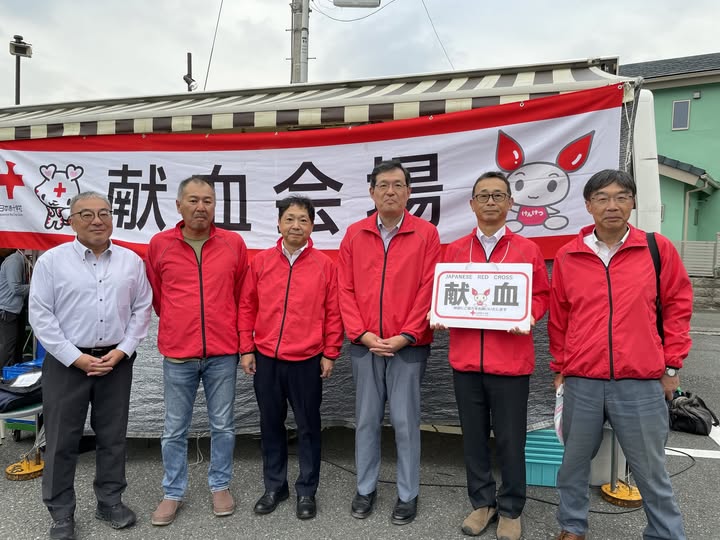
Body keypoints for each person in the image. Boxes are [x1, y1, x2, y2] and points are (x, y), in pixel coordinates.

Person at [548, 169, 692, 540]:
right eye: (602, 198)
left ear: (632, 202)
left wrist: (671, 365)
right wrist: (561, 367)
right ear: (588, 205)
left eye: (621, 197)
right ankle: (572, 526)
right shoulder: (568, 255)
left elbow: (678, 307)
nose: (612, 205)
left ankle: (665, 532)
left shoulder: (657, 249)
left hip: (640, 380)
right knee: (573, 463)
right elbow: (560, 318)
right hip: (582, 380)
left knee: (650, 468)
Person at [431, 171, 549, 540]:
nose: (491, 202)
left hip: (511, 363)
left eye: (498, 195)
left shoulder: (527, 250)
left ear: (510, 203)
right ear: (472, 204)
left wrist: (529, 315)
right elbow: (444, 293)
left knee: (511, 440)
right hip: (466, 361)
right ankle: (482, 502)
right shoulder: (454, 250)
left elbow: (541, 295)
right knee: (473, 437)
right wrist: (439, 313)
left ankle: (511, 508)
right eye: (483, 196)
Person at [29, 192, 152, 540]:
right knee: (61, 439)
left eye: (104, 213)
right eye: (86, 214)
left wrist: (124, 350)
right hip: (67, 363)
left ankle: (110, 501)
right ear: (71, 221)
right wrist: (76, 357)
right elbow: (40, 315)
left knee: (113, 436)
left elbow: (142, 308)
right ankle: (61, 513)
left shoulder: (131, 261)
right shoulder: (51, 262)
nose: (97, 220)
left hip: (115, 361)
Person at [338, 159, 441, 525]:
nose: (391, 191)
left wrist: (406, 335)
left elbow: (429, 288)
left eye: (398, 185)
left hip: (408, 346)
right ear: (372, 192)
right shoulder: (354, 234)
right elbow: (345, 289)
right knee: (366, 420)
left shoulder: (426, 234)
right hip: (364, 345)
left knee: (405, 422)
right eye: (383, 185)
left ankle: (407, 493)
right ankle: (365, 488)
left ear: (409, 192)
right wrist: (362, 334)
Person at [146, 176, 248, 526]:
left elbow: (240, 295)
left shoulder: (233, 243)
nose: (201, 207)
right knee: (174, 429)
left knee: (223, 425)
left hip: (222, 352)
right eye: (193, 200)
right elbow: (158, 296)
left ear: (215, 205)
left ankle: (220, 485)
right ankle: (172, 492)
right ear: (178, 205)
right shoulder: (160, 245)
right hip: (178, 353)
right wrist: (180, 323)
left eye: (207, 200)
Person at [239, 196, 343, 520]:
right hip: (266, 359)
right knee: (270, 424)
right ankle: (275, 486)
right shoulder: (260, 262)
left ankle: (307, 490)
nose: (296, 225)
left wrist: (330, 352)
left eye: (303, 220)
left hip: (307, 360)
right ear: (279, 223)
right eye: (290, 219)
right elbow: (247, 306)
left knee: (308, 426)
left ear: (312, 226)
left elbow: (333, 312)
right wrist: (246, 348)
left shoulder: (325, 265)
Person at [0, 247, 30, 368]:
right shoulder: (15, 261)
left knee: (15, 344)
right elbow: (16, 288)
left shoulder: (18, 260)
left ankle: (13, 371)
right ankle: (3, 374)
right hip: (7, 309)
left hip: (12, 308)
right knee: (8, 346)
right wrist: (35, 285)